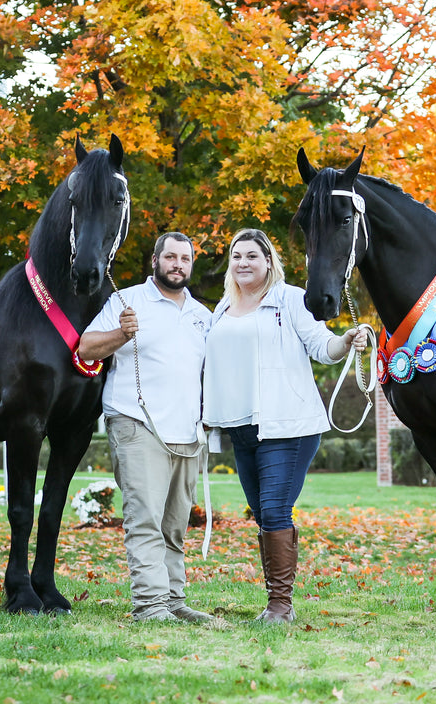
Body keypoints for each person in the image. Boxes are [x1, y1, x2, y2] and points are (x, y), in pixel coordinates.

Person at [202, 228, 367, 622]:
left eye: (252, 256)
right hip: (241, 426)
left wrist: (345, 341)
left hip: (288, 425)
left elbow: (321, 347)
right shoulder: (222, 308)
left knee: (276, 510)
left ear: (268, 261)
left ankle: (280, 605)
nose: (243, 263)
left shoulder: (290, 299)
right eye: (237, 256)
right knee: (262, 513)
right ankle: (275, 601)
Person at [78, 232, 213, 623]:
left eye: (185, 259)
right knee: (145, 520)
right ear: (154, 261)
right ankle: (150, 606)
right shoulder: (126, 301)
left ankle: (174, 601)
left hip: (187, 435)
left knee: (174, 525)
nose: (177, 265)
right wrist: (122, 333)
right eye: (169, 257)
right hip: (137, 426)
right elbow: (86, 347)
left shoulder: (202, 315)